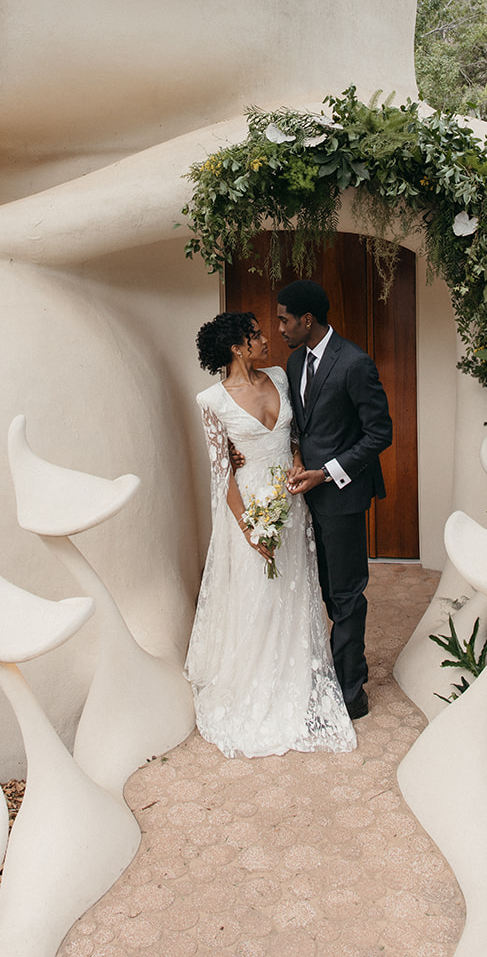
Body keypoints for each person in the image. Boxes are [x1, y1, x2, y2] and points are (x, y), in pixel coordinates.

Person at [185, 309, 356, 758]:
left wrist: (297, 459)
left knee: (295, 590)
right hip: (250, 507)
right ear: (237, 348)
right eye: (256, 336)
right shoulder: (211, 401)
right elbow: (221, 472)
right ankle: (254, 681)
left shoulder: (280, 377)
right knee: (257, 594)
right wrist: (247, 529)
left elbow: (295, 435)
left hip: (291, 500)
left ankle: (296, 674)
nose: (267, 340)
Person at [278, 280, 393, 721]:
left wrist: (326, 473)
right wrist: (295, 458)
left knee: (346, 594)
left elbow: (379, 434)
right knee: (325, 590)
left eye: (285, 319)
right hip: (306, 498)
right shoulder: (292, 362)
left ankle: (352, 692)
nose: (281, 327)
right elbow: (301, 427)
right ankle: (339, 667)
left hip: (342, 497)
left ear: (308, 320)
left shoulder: (355, 363)